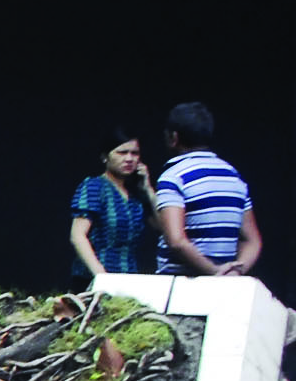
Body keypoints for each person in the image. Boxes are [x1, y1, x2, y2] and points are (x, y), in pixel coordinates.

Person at [151, 102, 262, 276]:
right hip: (223, 289)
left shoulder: (173, 177)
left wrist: (214, 272)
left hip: (179, 285)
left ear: (174, 137)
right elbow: (252, 240)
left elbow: (176, 240)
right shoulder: (234, 177)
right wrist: (234, 273)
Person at [66, 131, 156, 282]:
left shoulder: (135, 194)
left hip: (127, 276)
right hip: (93, 278)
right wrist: (102, 277)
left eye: (134, 154)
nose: (129, 159)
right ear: (105, 157)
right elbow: (77, 235)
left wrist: (148, 189)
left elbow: (163, 228)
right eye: (122, 153)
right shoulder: (94, 186)